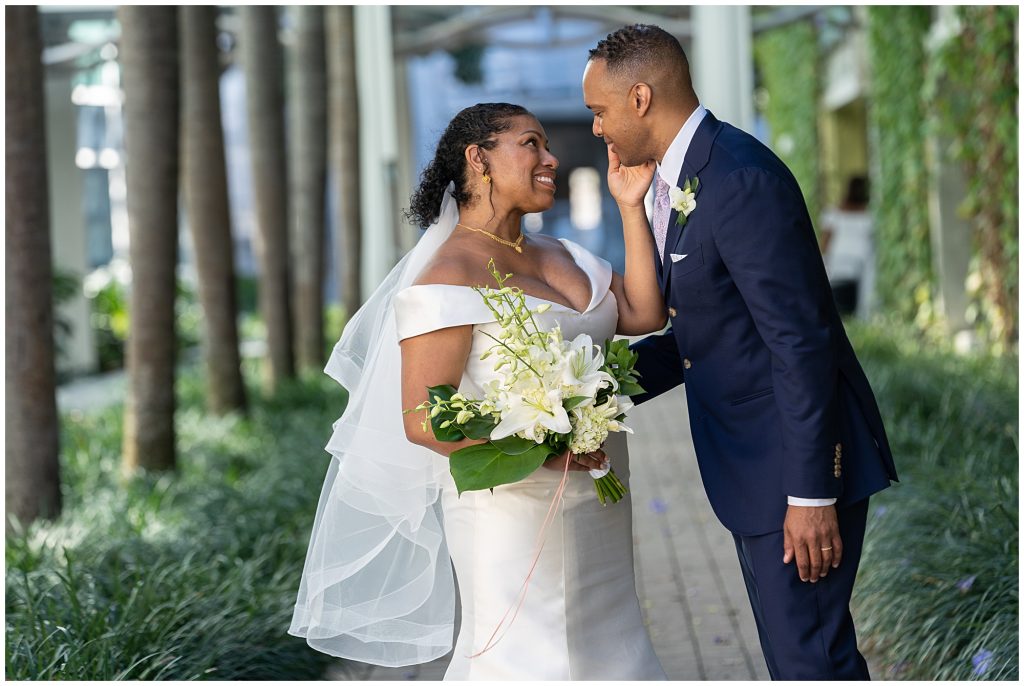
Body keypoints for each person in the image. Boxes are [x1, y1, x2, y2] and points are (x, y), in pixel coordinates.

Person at [290, 102, 669, 680]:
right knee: (528, 656)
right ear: (479, 159)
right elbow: (423, 421)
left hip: (598, 502)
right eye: (531, 144)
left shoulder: (563, 255)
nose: (551, 158)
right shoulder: (447, 278)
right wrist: (547, 450)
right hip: (510, 514)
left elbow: (644, 311)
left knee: (612, 642)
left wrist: (629, 207)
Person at [581, 25, 898, 680]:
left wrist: (810, 496)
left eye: (599, 111)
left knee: (812, 662)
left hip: (794, 476)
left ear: (639, 97)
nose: (595, 129)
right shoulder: (679, 183)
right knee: (796, 660)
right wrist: (583, 396)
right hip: (757, 475)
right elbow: (706, 334)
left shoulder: (739, 178)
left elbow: (800, 342)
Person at [820, 176, 875, 318]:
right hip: (861, 262)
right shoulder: (869, 214)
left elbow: (825, 241)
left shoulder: (834, 213)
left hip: (838, 261)